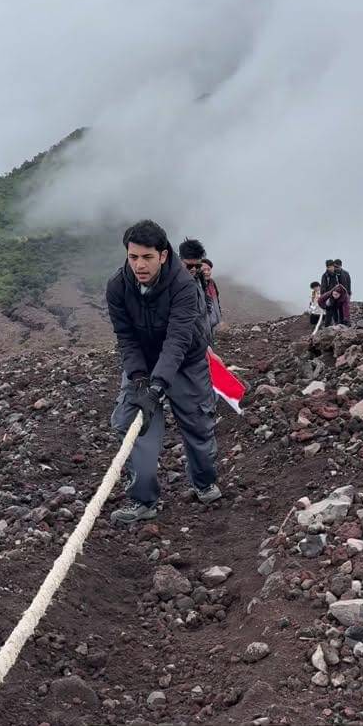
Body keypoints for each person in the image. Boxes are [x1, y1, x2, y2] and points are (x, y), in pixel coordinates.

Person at [106, 220, 222, 524]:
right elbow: (126, 338)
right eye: (133, 258)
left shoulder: (183, 285)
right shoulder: (118, 286)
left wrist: (158, 386)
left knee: (198, 422)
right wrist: (140, 381)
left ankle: (204, 481)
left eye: (147, 257)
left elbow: (179, 338)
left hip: (186, 361)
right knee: (136, 425)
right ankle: (144, 500)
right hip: (143, 363)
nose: (139, 265)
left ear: (163, 255)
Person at [178, 238, 214, 345]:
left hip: (204, 337)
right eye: (189, 266)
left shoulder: (200, 278)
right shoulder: (174, 283)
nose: (193, 269)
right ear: (180, 260)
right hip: (188, 344)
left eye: (197, 266)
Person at [319, 259, 349, 326]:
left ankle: (342, 325)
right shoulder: (325, 276)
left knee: (341, 311)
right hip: (329, 296)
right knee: (329, 312)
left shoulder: (338, 274)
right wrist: (325, 300)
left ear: (334, 266)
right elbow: (323, 288)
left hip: (339, 295)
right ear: (326, 267)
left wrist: (344, 294)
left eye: (332, 266)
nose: (331, 268)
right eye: (329, 267)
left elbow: (344, 285)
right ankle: (327, 328)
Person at [201, 258, 222, 339]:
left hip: (212, 322)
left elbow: (216, 301)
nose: (206, 272)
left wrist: (219, 317)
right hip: (202, 325)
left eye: (208, 269)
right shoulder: (197, 285)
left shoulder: (212, 283)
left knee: (211, 341)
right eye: (204, 270)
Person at [334, 258, 352, 324]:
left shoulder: (346, 274)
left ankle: (346, 321)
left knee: (345, 307)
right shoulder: (332, 274)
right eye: (334, 266)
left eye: (337, 267)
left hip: (344, 294)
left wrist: (349, 294)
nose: (335, 268)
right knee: (337, 308)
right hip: (335, 294)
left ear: (340, 266)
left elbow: (349, 284)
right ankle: (338, 322)